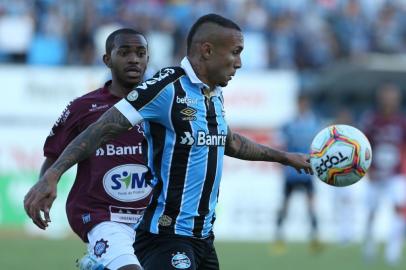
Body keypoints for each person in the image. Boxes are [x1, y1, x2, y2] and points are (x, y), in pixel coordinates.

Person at [24, 14, 312, 270]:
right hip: (166, 235)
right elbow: (102, 128)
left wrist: (285, 157)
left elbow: (231, 142)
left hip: (202, 238)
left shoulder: (213, 94)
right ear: (207, 50)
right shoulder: (165, 87)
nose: (239, 62)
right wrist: (52, 174)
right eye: (235, 52)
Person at [24, 28, 151, 270]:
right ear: (107, 59)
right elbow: (54, 155)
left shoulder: (161, 106)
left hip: (151, 218)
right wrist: (45, 185)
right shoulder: (83, 108)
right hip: (100, 215)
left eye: (140, 53)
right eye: (124, 52)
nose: (134, 59)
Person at [361, 83, 406, 266]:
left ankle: (393, 250)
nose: (389, 100)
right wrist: (368, 169)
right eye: (386, 96)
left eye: (392, 96)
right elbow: (362, 146)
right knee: (372, 211)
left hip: (396, 174)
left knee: (400, 211)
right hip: (376, 174)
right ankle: (369, 246)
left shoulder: (402, 121)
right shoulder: (371, 120)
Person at [272, 94, 321, 253]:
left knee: (311, 207)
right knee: (285, 207)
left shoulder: (314, 123)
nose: (303, 106)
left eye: (305, 103)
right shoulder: (289, 124)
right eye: (301, 103)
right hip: (291, 172)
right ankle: (279, 238)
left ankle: (314, 239)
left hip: (308, 172)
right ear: (298, 104)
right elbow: (279, 143)